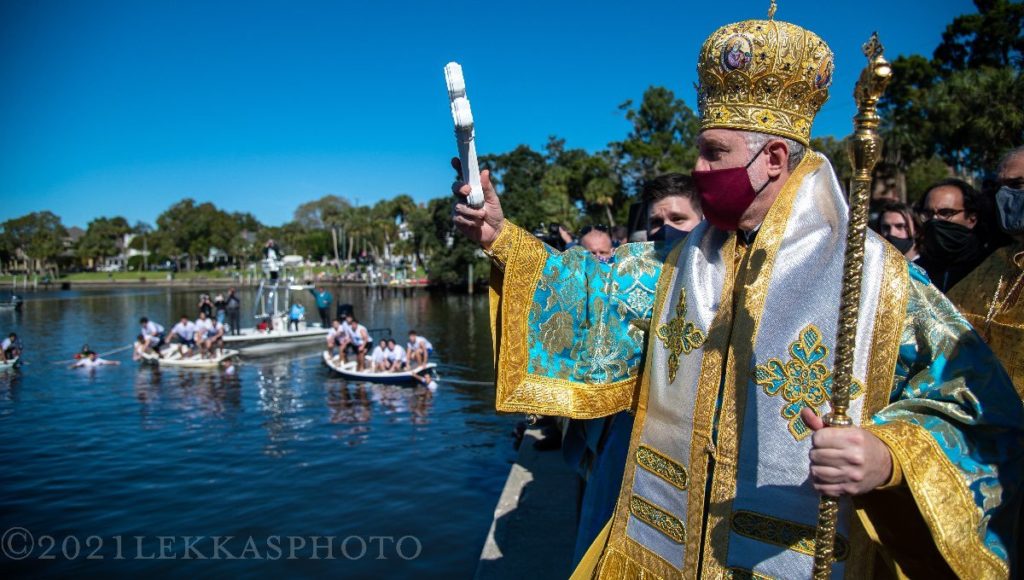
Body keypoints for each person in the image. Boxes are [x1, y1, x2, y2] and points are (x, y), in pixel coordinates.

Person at [452, 10, 1022, 577]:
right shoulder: (677, 262)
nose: (697, 169)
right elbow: (593, 292)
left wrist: (889, 457)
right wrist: (500, 238)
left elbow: (977, 405)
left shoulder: (875, 278)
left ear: (772, 159)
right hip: (661, 547)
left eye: (713, 153)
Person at [948, 145, 1024, 396]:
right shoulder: (997, 260)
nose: (1005, 195)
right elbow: (946, 322)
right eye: (998, 186)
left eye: (1018, 185)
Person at [915, 178, 993, 292]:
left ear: (972, 218)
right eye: (928, 213)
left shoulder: (992, 268)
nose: (934, 219)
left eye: (946, 213)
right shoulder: (915, 273)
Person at [643, 172, 704, 243]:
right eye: (656, 222)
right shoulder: (632, 253)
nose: (666, 229)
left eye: (677, 219)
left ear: (702, 220)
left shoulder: (718, 252)